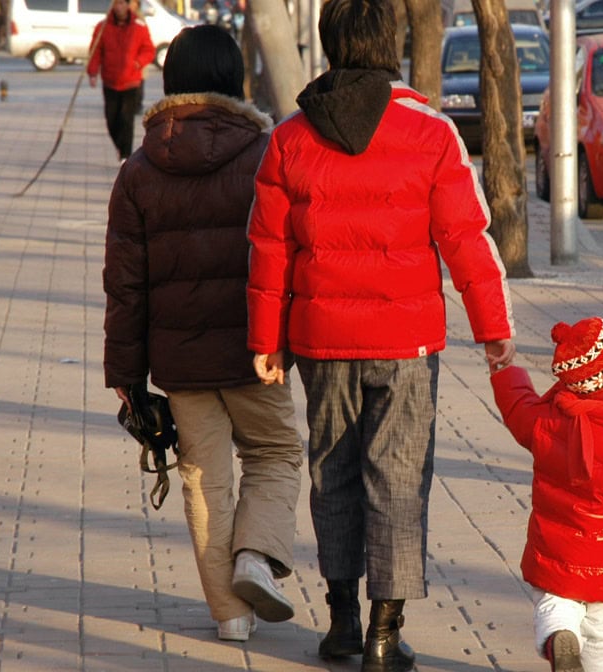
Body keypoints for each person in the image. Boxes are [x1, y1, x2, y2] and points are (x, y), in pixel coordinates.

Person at [245, 0, 516, 669]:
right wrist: (495, 329)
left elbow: (268, 248)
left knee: (330, 471)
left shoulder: (290, 136)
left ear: (331, 43)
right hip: (407, 343)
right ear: (389, 42)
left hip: (319, 338)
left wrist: (265, 340)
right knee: (396, 480)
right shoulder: (431, 130)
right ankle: (382, 637)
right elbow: (465, 237)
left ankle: (338, 622)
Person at [103, 24, 305, 644]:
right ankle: (254, 557)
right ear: (234, 81)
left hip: (180, 362)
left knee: (202, 476)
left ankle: (230, 616)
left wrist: (125, 377)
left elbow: (125, 286)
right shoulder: (267, 154)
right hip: (255, 353)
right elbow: (292, 254)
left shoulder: (137, 171)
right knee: (274, 454)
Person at [489, 317, 603, 672]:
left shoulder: (550, 417)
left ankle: (560, 633)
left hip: (554, 553)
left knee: (555, 604)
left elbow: (518, 409)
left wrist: (504, 369)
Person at [87, 0, 154, 162]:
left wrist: (138, 62)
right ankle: (120, 146)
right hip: (110, 80)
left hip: (131, 81)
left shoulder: (139, 26)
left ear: (128, 5)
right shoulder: (103, 26)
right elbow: (96, 50)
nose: (119, 7)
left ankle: (126, 154)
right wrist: (93, 72)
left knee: (126, 119)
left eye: (122, 4)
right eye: (116, 4)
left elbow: (149, 49)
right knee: (111, 119)